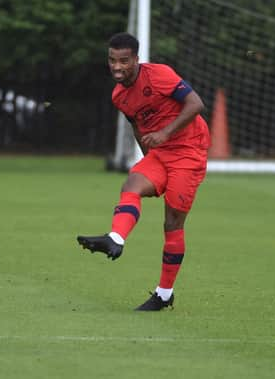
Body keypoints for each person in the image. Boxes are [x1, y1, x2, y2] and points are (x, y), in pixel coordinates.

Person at [77, 32, 209, 311]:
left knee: (172, 224)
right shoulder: (119, 96)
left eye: (124, 61)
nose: (117, 66)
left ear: (136, 59)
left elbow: (196, 104)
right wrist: (152, 159)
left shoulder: (159, 75)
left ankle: (164, 294)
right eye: (112, 60)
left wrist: (164, 133)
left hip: (189, 151)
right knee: (131, 186)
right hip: (161, 154)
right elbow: (137, 125)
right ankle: (116, 239)